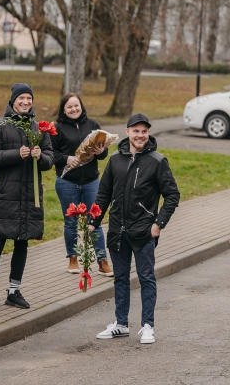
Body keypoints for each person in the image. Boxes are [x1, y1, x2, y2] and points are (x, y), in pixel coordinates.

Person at [92, 114, 180, 344]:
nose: (140, 135)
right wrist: (93, 220)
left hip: (143, 232)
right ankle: (121, 324)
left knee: (146, 278)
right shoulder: (114, 160)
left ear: (148, 134)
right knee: (120, 279)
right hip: (117, 232)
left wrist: (158, 224)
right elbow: (103, 195)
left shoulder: (157, 161)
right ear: (127, 132)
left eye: (144, 131)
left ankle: (147, 326)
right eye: (136, 131)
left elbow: (172, 195)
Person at [0, 83, 54, 312]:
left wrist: (41, 157)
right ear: (13, 100)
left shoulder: (39, 129)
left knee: (22, 243)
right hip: (5, 195)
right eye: (22, 98)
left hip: (29, 197)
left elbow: (50, 159)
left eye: (29, 98)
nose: (26, 102)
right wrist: (15, 154)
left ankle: (13, 291)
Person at [51, 93, 113, 277]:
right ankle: (73, 258)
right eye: (69, 107)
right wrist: (66, 158)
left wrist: (101, 151)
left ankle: (102, 261)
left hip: (91, 182)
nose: (74, 109)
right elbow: (50, 154)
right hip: (67, 182)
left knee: (95, 221)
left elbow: (103, 155)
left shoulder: (92, 126)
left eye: (76, 105)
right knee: (71, 223)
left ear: (81, 106)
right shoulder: (57, 129)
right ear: (63, 109)